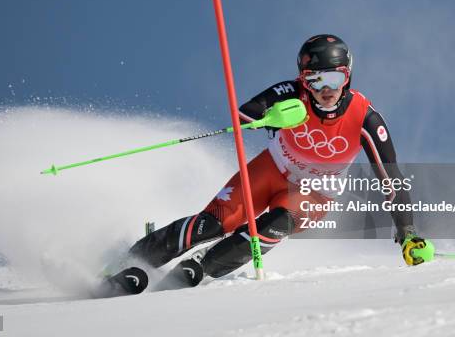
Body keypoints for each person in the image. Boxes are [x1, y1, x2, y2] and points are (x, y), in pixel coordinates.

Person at [122, 34, 432, 287]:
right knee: (211, 224)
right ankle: (130, 261)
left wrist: (407, 231)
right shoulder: (290, 92)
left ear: (347, 77)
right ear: (303, 79)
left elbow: (391, 177)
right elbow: (244, 113)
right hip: (269, 171)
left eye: (335, 79)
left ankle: (203, 266)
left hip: (314, 192)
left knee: (274, 224)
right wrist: (272, 117)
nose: (326, 90)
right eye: (315, 80)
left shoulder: (364, 118)